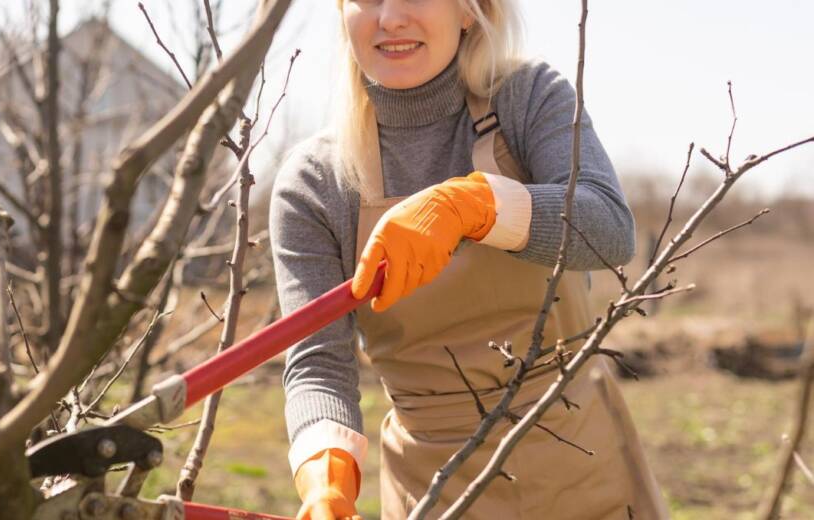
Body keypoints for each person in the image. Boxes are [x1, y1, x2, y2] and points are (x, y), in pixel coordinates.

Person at [268, 1, 668, 518]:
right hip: (434, 486)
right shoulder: (316, 183)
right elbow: (318, 363)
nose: (389, 18)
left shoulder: (527, 98)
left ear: (467, 11)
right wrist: (327, 478)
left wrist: (473, 205)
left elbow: (609, 229)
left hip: (580, 458)